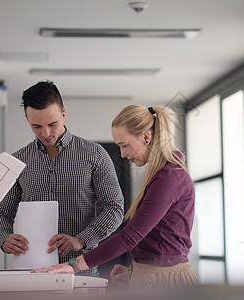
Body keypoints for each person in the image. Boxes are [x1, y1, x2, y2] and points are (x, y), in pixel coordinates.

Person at [33, 105, 199, 288]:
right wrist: (135, 269)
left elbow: (130, 237)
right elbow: (160, 237)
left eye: (124, 145)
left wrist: (74, 265)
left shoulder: (169, 177)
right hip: (152, 276)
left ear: (146, 136)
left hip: (165, 281)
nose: (122, 153)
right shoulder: (163, 175)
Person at [0, 81, 124, 276]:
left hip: (80, 272)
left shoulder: (95, 155)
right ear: (27, 118)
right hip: (32, 273)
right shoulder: (17, 161)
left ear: (63, 115)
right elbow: (1, 213)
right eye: (36, 126)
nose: (45, 133)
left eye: (52, 124)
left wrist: (82, 239)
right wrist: (4, 238)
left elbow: (115, 208)